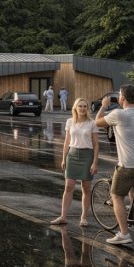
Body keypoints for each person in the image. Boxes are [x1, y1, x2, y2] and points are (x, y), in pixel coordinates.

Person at [95, 84, 134, 245]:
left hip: (129, 164)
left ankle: (124, 234)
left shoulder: (118, 114)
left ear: (122, 98)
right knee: (133, 188)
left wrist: (103, 106)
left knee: (116, 196)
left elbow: (97, 122)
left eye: (120, 96)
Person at [51, 97, 99, 226]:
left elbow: (96, 145)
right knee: (68, 187)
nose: (82, 108)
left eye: (85, 106)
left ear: (87, 108)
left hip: (87, 156)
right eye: (80, 106)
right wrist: (63, 158)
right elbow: (66, 142)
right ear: (75, 108)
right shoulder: (70, 122)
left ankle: (84, 218)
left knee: (86, 188)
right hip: (72, 156)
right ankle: (63, 217)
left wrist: (95, 162)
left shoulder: (92, 123)